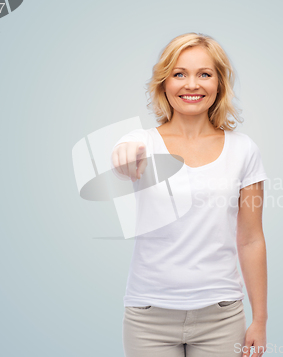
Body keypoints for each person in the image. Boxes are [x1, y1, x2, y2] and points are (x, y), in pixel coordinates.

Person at [111, 33, 268, 357]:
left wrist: (260, 319)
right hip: (147, 317)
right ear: (164, 83)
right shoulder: (141, 142)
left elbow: (251, 239)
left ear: (219, 84)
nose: (191, 84)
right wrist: (123, 153)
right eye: (179, 74)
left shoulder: (244, 150)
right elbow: (123, 155)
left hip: (221, 317)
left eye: (204, 74)